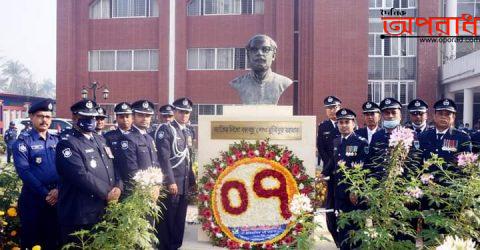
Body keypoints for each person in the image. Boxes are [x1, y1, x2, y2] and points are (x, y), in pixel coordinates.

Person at [55, 99, 122, 244]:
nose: (90, 121)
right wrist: (108, 192)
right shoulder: (67, 143)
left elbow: (114, 166)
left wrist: (118, 186)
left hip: (101, 210)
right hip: (80, 215)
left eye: (93, 117)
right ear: (74, 117)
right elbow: (80, 175)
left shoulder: (100, 140)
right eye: (85, 117)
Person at [12, 99, 60, 249]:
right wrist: (46, 194)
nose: (44, 120)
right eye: (40, 116)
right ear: (31, 117)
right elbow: (24, 171)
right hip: (34, 199)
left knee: (54, 241)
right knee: (32, 241)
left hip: (57, 197)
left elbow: (65, 169)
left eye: (47, 116)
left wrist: (58, 190)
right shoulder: (22, 142)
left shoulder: (57, 141)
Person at [155, 97, 196, 250]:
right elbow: (164, 159)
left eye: (187, 112)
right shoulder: (167, 129)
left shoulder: (187, 131)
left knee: (180, 219)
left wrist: (192, 181)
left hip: (183, 184)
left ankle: (175, 246)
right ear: (175, 112)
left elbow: (188, 158)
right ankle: (165, 247)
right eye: (181, 112)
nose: (184, 115)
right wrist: (170, 181)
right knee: (168, 220)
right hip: (172, 183)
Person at [329, 108, 368, 250]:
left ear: (354, 123)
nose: (343, 125)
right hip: (339, 193)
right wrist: (323, 174)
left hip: (353, 195)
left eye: (347, 122)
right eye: (341, 122)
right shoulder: (336, 141)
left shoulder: (360, 142)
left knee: (356, 230)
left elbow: (363, 168)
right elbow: (333, 162)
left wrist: (355, 189)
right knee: (342, 230)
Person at [229, 34, 292, 105]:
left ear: (273, 55)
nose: (259, 53)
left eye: (265, 49)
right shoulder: (236, 84)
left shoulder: (285, 84)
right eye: (254, 49)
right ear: (248, 55)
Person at [418, 98, 472, 174]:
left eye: (447, 114)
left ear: (453, 117)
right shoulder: (423, 136)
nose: (443, 117)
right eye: (440, 114)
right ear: (434, 116)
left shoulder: (462, 138)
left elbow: (466, 166)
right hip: (426, 182)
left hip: (451, 182)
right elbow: (418, 162)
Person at [116, 100, 160, 187]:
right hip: (137, 190)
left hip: (152, 188)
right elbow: (130, 169)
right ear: (133, 116)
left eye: (147, 115)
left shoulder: (149, 138)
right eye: (140, 115)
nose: (144, 119)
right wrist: (146, 189)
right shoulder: (128, 138)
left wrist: (157, 185)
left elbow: (155, 163)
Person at [317, 95, 341, 246]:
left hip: (344, 172)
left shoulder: (348, 123)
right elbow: (321, 149)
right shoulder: (323, 126)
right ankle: (335, 235)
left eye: (335, 107)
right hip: (330, 173)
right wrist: (327, 168)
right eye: (329, 108)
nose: (332, 111)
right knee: (330, 203)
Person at [103, 102, 133, 168]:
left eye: (127, 116)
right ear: (116, 118)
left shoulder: (138, 136)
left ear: (132, 118)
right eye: (121, 117)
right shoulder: (108, 137)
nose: (125, 119)